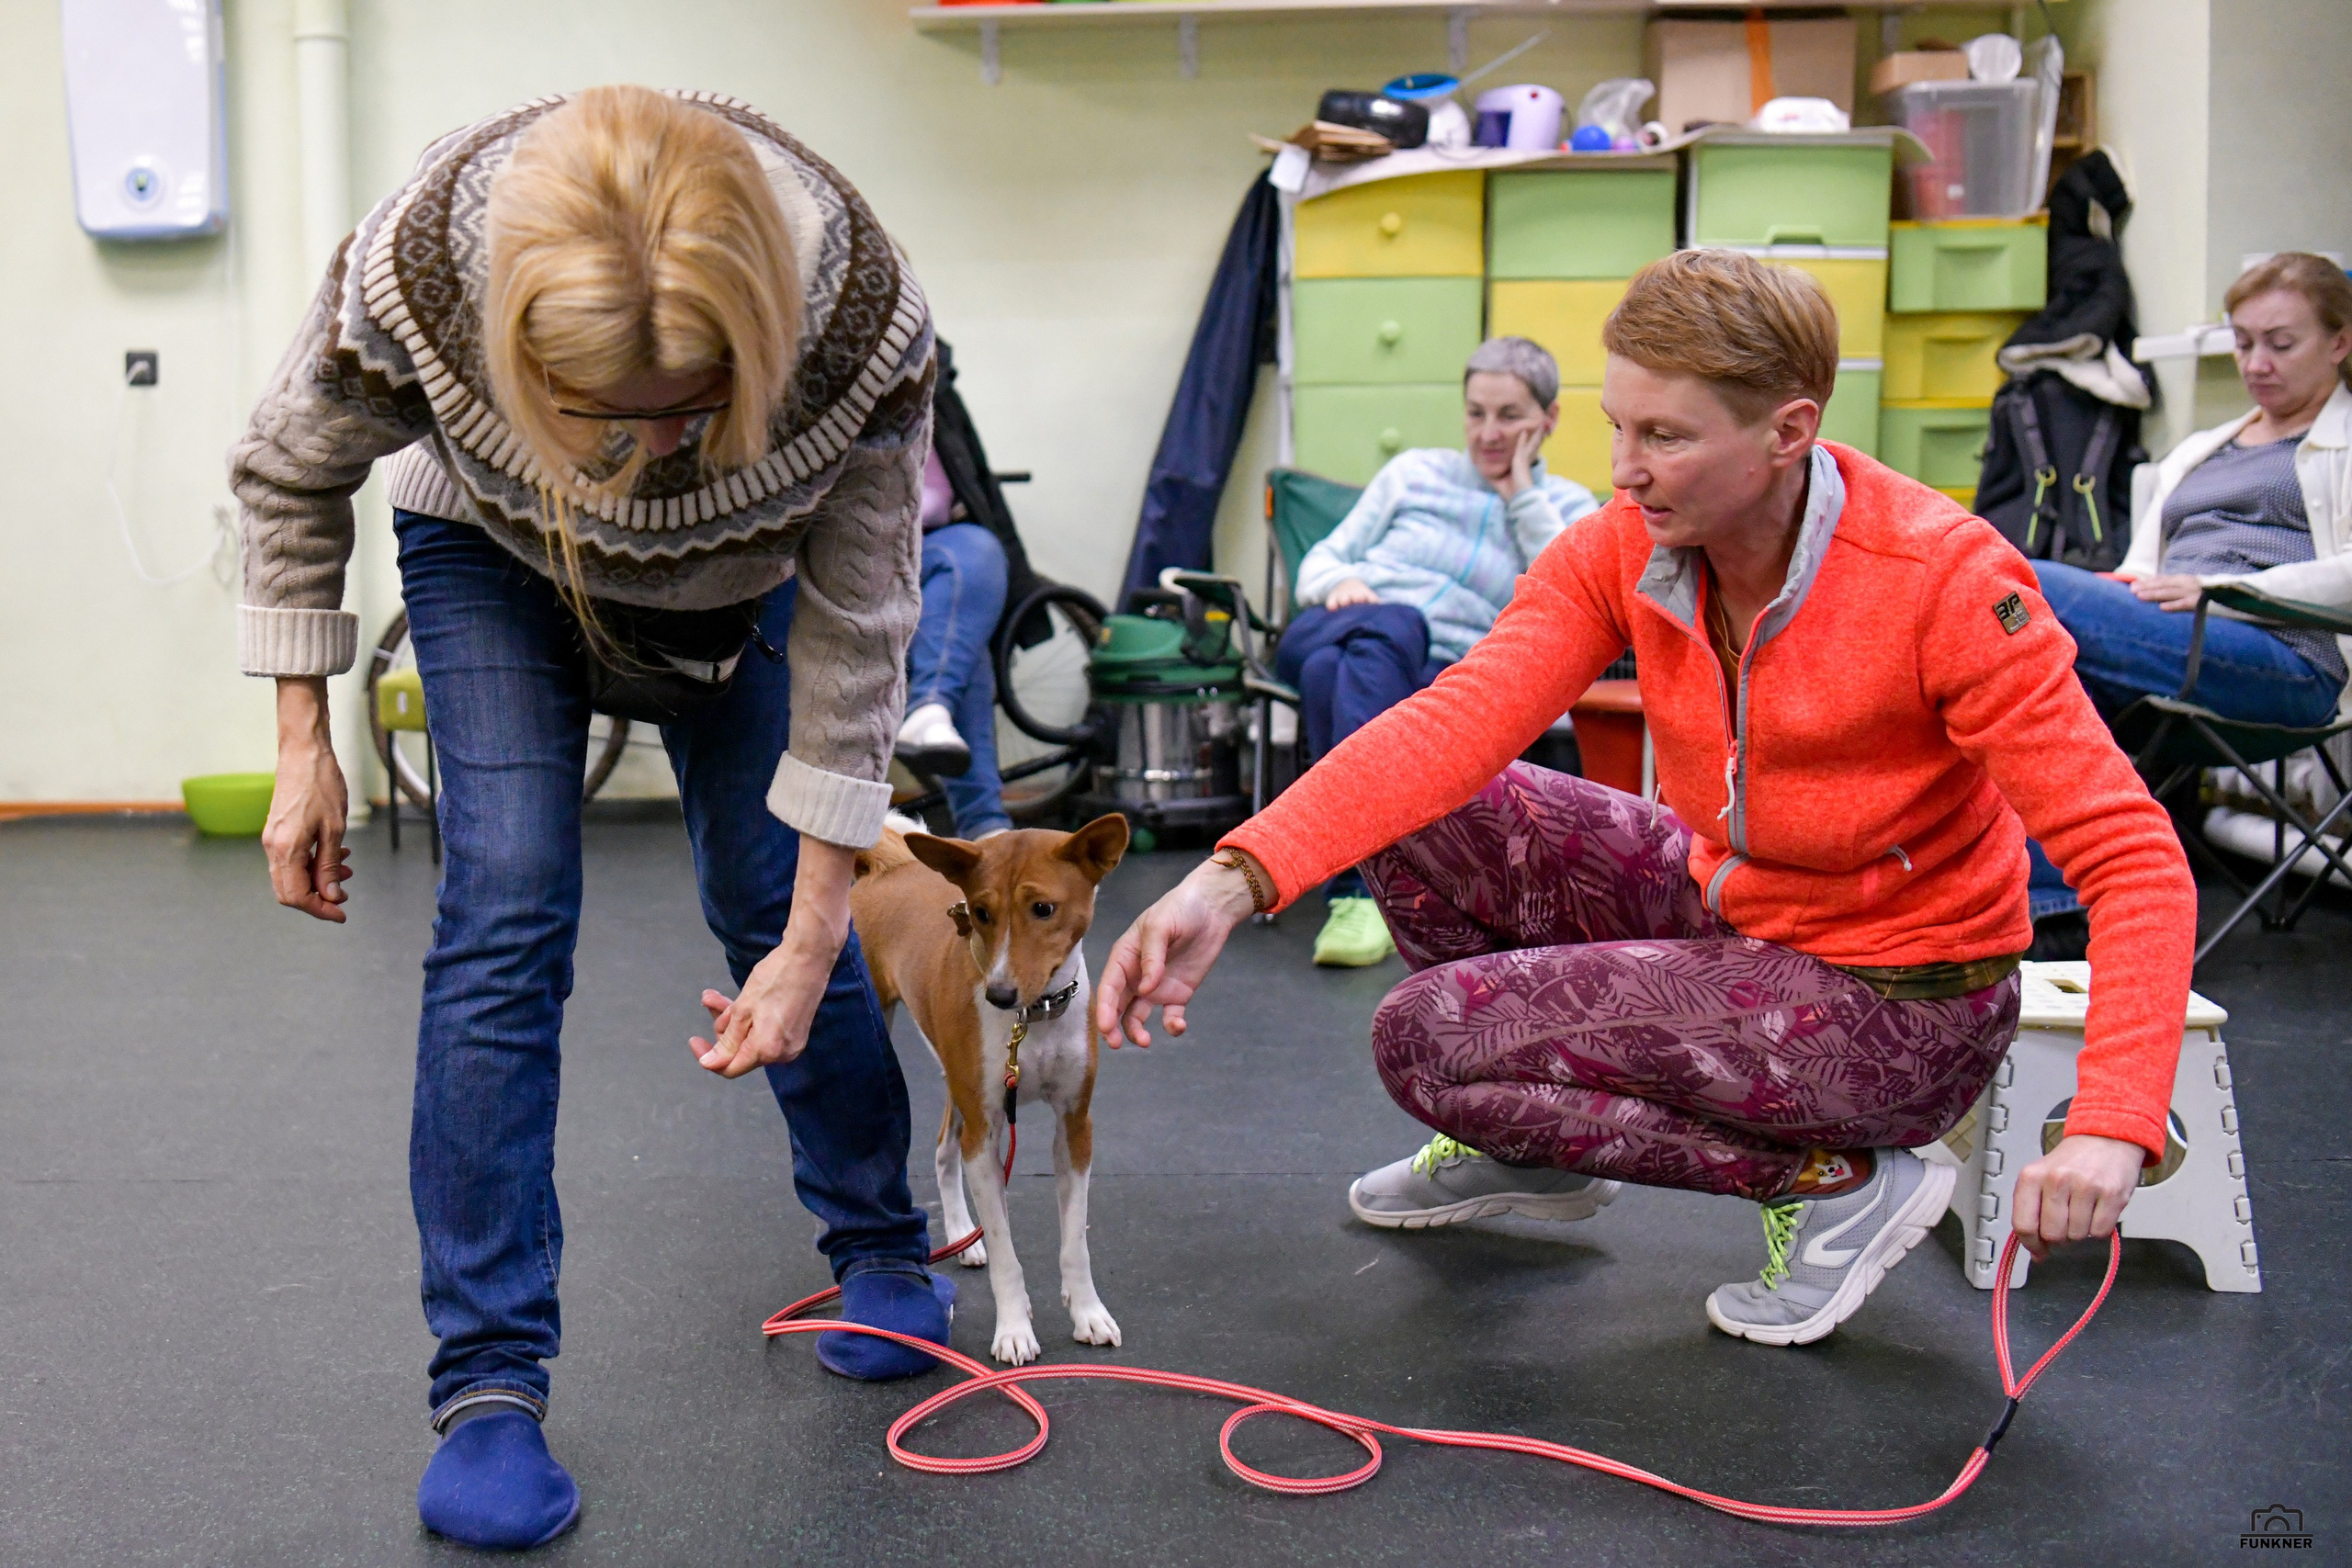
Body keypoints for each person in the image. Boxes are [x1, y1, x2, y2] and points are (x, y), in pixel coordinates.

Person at [1096, 250, 2197, 1349]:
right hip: (1740, 906)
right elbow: (1454, 724)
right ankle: (1533, 1143)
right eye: (1617, 427)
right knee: (1426, 805)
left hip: (1900, 1006)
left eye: (1664, 437)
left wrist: (2111, 1124)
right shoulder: (1632, 542)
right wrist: (1228, 880)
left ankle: (1835, 1179)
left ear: (1788, 432)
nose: (1624, 468)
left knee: (1424, 1044)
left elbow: (2132, 857)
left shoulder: (1943, 581)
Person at [234, 86, 950, 1551]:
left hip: (738, 595)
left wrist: (822, 923)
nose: (638, 460)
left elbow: (865, 614)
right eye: (597, 420)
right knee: (504, 903)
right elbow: (290, 465)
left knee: (771, 899)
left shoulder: (862, 322)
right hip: (491, 555)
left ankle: (882, 1244)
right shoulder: (414, 271)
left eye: (683, 414)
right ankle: (486, 1384)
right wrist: (304, 739)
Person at [2028, 252, 2352, 925]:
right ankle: (2051, 905)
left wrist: (2219, 588)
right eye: (2243, 343)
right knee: (2034, 678)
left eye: (2281, 343)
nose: (2256, 361)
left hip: (2287, 660)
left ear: (2340, 342)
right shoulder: (2203, 448)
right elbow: (2144, 568)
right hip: (2178, 642)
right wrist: (2122, 587)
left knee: (2011, 582)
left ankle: (2051, 899)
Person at [1279, 336, 1599, 968]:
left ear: (1549, 419)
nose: (1487, 432)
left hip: (1438, 673)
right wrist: (1337, 584)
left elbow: (1576, 594)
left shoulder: (1567, 508)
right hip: (1345, 619)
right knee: (1388, 629)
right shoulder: (1412, 474)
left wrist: (1522, 496)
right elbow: (1323, 557)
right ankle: (1370, 888)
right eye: (1475, 412)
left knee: (1330, 676)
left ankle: (1354, 887)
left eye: (1509, 416)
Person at [891, 446, 1015, 838]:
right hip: (863, 548)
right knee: (965, 600)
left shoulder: (939, 391)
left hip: (934, 544)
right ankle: (983, 823)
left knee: (976, 555)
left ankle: (930, 709)